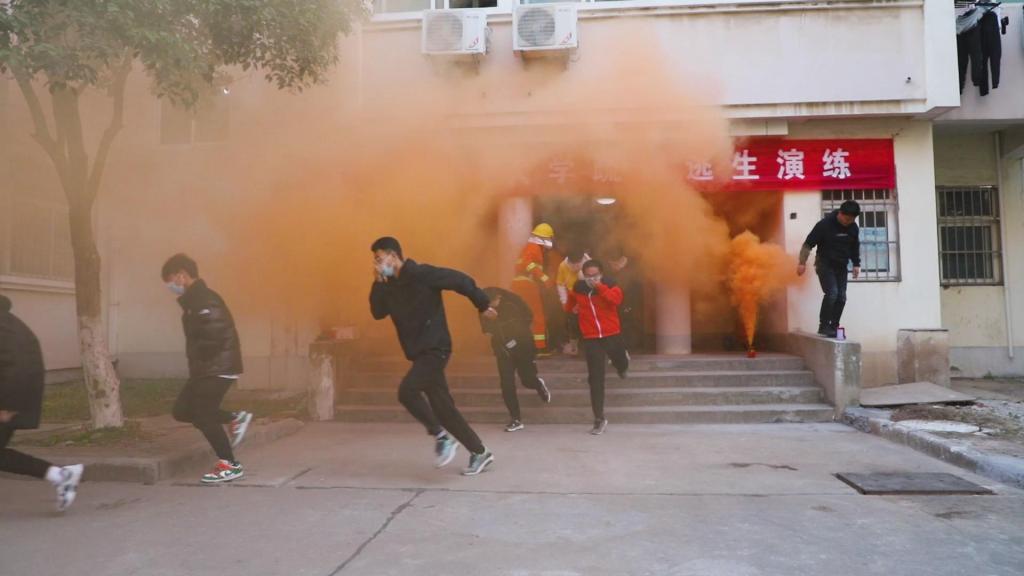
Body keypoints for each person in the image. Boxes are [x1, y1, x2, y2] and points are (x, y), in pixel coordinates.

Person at [369, 237, 496, 476]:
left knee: (407, 391)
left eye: (379, 259)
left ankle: (441, 437)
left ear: (393, 256)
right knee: (444, 409)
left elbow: (459, 280)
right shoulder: (389, 286)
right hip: (419, 353)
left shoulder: (422, 274)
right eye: (375, 260)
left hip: (436, 348)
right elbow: (377, 312)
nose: (376, 264)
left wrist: (482, 303)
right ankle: (480, 452)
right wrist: (378, 283)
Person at [162, 254, 252, 484]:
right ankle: (234, 418)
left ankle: (230, 465)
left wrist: (201, 357)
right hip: (206, 367)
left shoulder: (203, 299)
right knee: (182, 410)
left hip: (216, 366)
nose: (170, 286)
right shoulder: (194, 300)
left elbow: (214, 333)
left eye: (170, 280)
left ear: (182, 275)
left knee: (203, 415)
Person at [0, 294, 84, 512]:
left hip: (8, 402)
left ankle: (62, 475)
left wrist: (8, 404)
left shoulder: (5, 326)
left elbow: (20, 365)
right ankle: (61, 475)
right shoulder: (8, 322)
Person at [564, 260, 629, 435]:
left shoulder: (611, 284)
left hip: (612, 333)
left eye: (595, 275)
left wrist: (599, 286)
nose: (591, 279)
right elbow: (569, 304)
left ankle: (622, 366)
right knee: (595, 378)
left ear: (601, 274)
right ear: (583, 275)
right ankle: (599, 418)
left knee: (620, 360)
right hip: (591, 338)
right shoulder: (578, 288)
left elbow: (615, 300)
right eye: (588, 276)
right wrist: (573, 308)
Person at [481, 287, 552, 432]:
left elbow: (528, 318)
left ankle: (537, 384)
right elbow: (487, 331)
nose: (490, 307)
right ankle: (515, 418)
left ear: (498, 298)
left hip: (522, 346)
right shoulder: (484, 307)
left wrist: (504, 325)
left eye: (492, 303)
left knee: (527, 379)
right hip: (503, 350)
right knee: (506, 383)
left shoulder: (513, 302)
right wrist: (491, 321)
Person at [797, 200, 862, 338]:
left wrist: (856, 264)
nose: (848, 222)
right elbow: (808, 244)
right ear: (840, 213)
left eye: (851, 220)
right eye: (846, 219)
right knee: (832, 293)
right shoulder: (824, 225)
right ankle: (824, 326)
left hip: (841, 265)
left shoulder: (853, 228)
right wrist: (802, 262)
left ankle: (834, 326)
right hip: (824, 264)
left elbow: (854, 246)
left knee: (842, 297)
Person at [512, 223, 556, 355]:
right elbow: (528, 263)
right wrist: (544, 278)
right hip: (527, 285)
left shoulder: (530, 247)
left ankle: (520, 346)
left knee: (521, 316)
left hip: (520, 284)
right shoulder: (534, 247)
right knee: (537, 316)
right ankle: (540, 347)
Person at [606, 248, 645, 353]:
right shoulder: (607, 270)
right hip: (613, 304)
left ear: (622, 260)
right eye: (611, 264)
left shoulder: (633, 269)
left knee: (627, 325)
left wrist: (629, 306)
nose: (614, 267)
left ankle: (625, 348)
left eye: (616, 264)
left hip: (628, 304)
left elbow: (635, 291)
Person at [556, 248, 590, 355]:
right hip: (572, 298)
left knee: (588, 323)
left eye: (578, 263)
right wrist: (564, 301)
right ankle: (574, 347)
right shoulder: (563, 266)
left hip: (587, 298)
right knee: (573, 323)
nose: (576, 266)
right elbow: (560, 284)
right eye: (573, 263)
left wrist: (583, 276)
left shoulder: (590, 264)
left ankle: (589, 347)